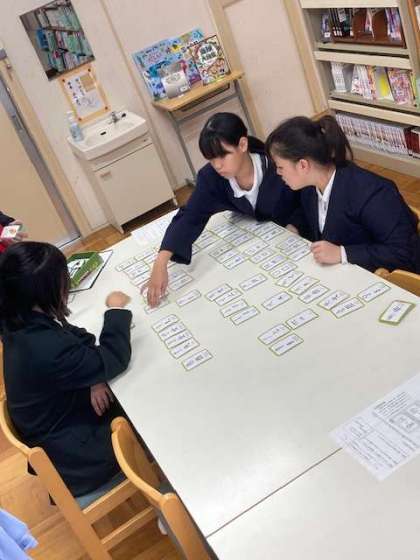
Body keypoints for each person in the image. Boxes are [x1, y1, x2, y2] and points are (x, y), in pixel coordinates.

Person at [0, 242, 132, 500]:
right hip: (78, 458)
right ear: (46, 291)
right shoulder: (45, 347)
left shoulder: (18, 318)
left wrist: (93, 378)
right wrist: (116, 310)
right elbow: (114, 358)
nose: (67, 286)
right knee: (144, 405)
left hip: (60, 424)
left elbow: (75, 335)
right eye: (63, 281)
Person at [144, 112, 299, 307]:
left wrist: (295, 226)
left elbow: (304, 198)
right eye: (211, 159)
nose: (217, 165)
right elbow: (191, 215)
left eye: (223, 155)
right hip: (263, 245)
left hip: (296, 241)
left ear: (242, 145)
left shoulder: (277, 165)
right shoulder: (212, 178)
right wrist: (160, 263)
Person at [265, 115, 420, 273]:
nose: (278, 173)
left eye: (280, 167)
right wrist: (295, 226)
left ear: (303, 165)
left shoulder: (373, 193)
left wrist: (343, 253)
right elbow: (312, 215)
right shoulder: (310, 187)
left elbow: (403, 254)